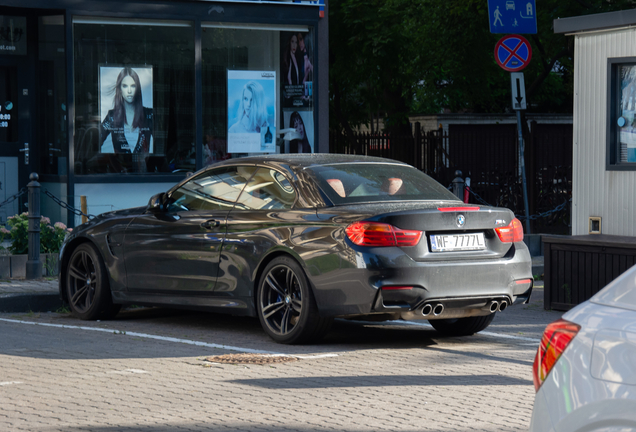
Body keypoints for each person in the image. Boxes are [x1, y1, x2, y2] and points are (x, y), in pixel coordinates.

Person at [100, 67, 153, 154]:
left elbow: (161, 146)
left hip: (144, 167)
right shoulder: (111, 116)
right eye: (125, 86)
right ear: (120, 90)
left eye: (133, 86)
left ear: (137, 89)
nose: (129, 91)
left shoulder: (149, 115)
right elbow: (95, 142)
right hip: (118, 167)